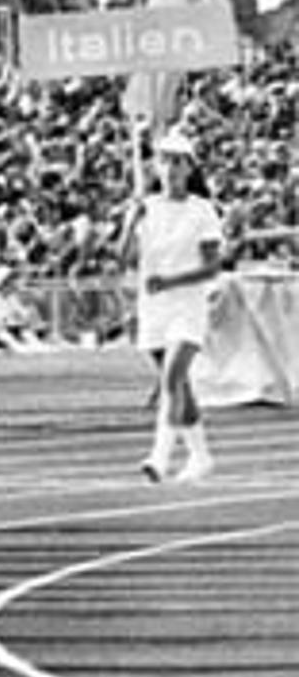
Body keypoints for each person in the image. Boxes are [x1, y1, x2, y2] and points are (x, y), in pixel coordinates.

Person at [121, 128, 224, 483]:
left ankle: (159, 457)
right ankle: (200, 455)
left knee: (172, 377)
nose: (171, 168)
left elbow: (212, 266)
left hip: (188, 305)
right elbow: (125, 258)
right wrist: (128, 222)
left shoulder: (202, 210)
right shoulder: (146, 209)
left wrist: (172, 281)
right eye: (165, 161)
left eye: (178, 162)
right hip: (154, 307)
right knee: (180, 387)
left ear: (190, 168)